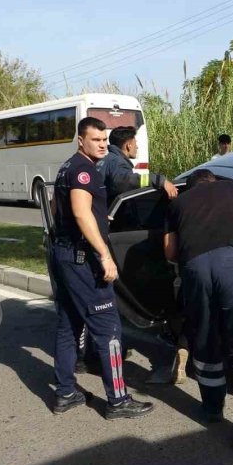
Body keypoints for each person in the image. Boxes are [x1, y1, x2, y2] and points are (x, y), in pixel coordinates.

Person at [49, 116, 154, 419]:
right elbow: (81, 214)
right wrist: (104, 254)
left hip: (63, 253)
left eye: (105, 140)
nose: (102, 145)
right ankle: (118, 400)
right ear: (81, 140)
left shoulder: (67, 167)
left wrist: (98, 219)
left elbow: (59, 208)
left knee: (69, 324)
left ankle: (65, 393)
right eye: (95, 140)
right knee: (108, 327)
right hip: (82, 258)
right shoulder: (83, 171)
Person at [163, 169, 233, 449]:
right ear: (213, 180)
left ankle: (212, 409)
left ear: (191, 186)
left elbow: (170, 251)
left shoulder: (178, 204)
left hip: (196, 268)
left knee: (204, 337)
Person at [97, 126, 177, 207]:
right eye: (135, 143)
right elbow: (128, 181)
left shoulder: (107, 159)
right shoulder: (118, 162)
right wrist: (159, 181)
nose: (137, 147)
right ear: (129, 146)